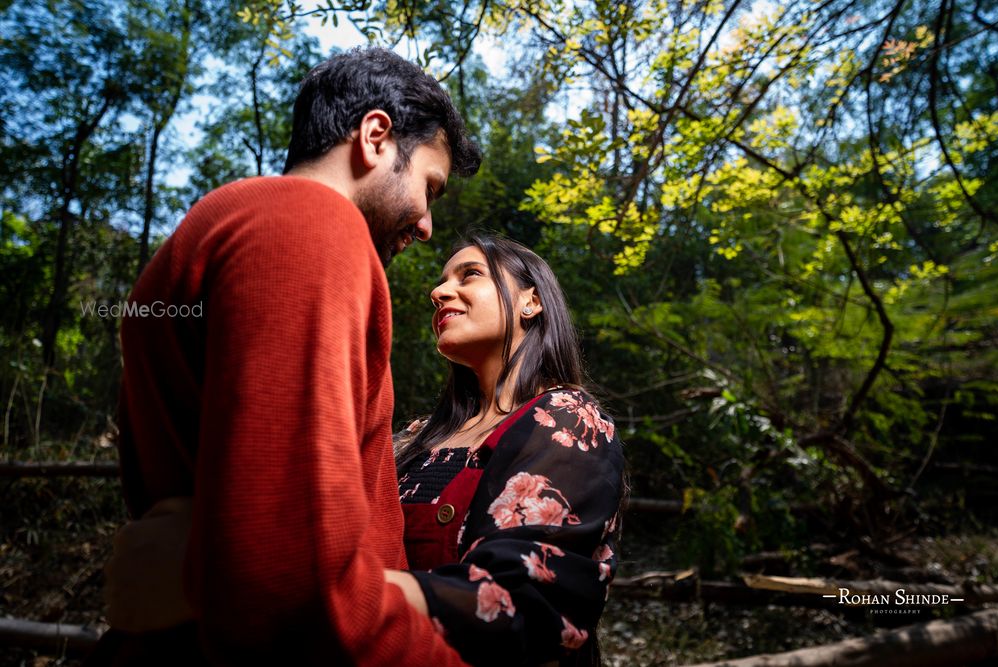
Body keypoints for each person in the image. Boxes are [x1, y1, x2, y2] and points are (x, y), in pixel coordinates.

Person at [87, 46, 482, 666]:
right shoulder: (310, 223)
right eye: (428, 187)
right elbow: (290, 578)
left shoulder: (214, 223)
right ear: (376, 136)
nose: (427, 224)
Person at [105, 234, 627, 666]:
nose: (439, 291)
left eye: (468, 275)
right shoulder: (417, 436)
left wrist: (301, 597)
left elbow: (525, 595)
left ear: (532, 301)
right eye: (441, 279)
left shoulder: (567, 420)